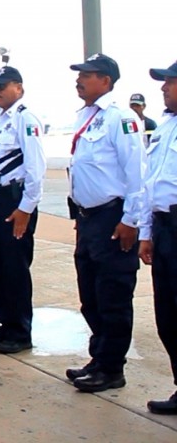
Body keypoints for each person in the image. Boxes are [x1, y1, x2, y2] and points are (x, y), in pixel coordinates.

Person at [65, 53, 145, 393]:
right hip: (88, 220)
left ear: (107, 81)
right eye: (80, 74)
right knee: (91, 295)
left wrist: (131, 220)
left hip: (114, 218)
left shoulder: (120, 118)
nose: (79, 80)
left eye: (87, 74)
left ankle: (112, 368)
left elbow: (136, 174)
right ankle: (99, 358)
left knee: (112, 296)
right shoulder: (87, 116)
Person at [0, 67, 46, 354]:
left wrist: (26, 208)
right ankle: (6, 323)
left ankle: (20, 330)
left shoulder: (25, 119)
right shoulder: (2, 120)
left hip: (15, 203)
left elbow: (35, 167)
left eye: (3, 85)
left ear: (20, 87)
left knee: (15, 267)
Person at [138, 60, 177, 415]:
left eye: (169, 82)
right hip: (165, 227)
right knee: (168, 313)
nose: (163, 88)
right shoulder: (165, 127)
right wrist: (147, 233)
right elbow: (151, 185)